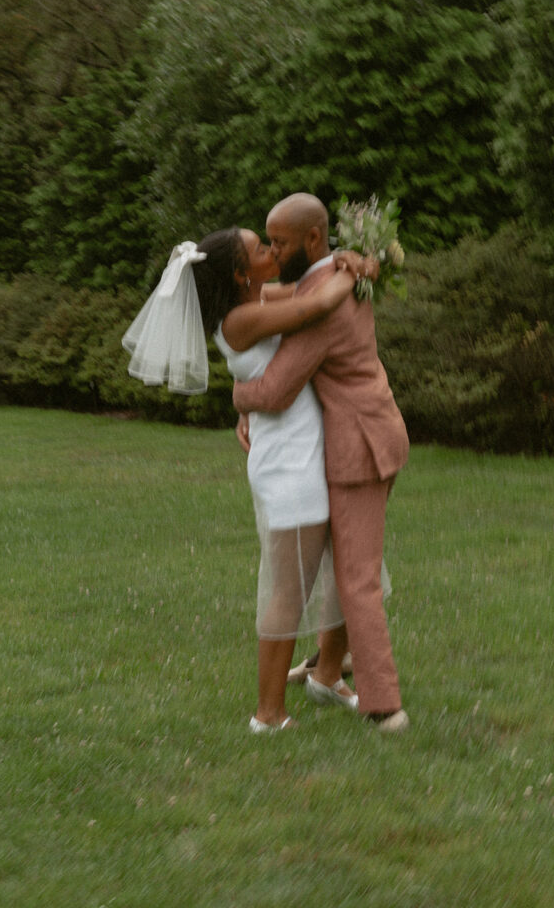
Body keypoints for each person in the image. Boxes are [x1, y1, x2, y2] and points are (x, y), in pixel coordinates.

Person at [122, 227, 371, 733]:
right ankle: (268, 714)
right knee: (288, 590)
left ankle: (327, 676)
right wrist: (356, 271)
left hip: (307, 454)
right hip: (289, 467)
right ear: (240, 274)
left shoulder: (260, 297)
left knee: (344, 568)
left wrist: (342, 260)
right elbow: (313, 309)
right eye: (262, 249)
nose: (272, 251)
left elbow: (305, 293)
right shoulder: (240, 318)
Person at [233, 194, 411, 734]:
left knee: (355, 576)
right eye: (269, 240)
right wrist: (355, 259)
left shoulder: (325, 301)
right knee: (348, 566)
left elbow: (277, 389)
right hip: (372, 436)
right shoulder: (327, 278)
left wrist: (239, 399)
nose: (273, 249)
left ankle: (384, 704)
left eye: (280, 241)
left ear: (313, 239)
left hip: (360, 449)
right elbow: (278, 303)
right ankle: (326, 671)